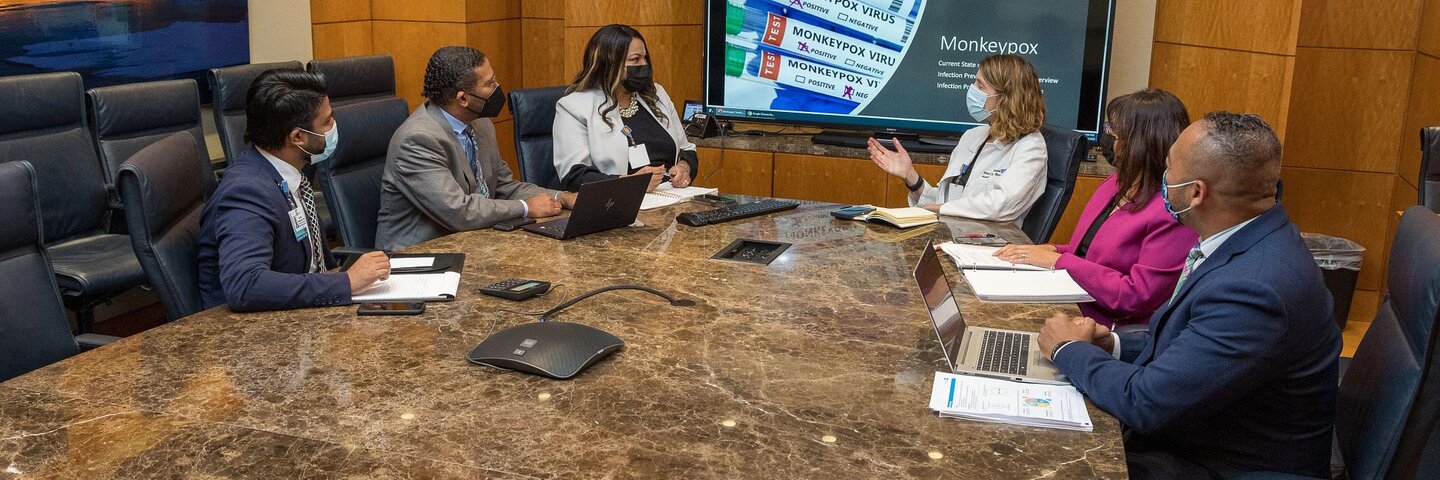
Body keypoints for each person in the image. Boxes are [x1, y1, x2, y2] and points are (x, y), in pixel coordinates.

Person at [1037, 112, 1340, 478]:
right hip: (1198, 437)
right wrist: (1113, 344)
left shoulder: (1255, 290)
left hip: (1217, 464)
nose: (1163, 179)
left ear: (1196, 192)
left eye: (1168, 169)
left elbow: (1145, 402)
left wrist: (1067, 349)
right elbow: (1188, 342)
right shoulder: (1247, 239)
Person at [994, 89, 1198, 328]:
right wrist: (1050, 249)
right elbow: (1089, 252)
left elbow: (1136, 296)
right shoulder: (1116, 182)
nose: (1109, 139)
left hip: (1104, 329)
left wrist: (1057, 261)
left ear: (1141, 141)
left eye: (1116, 132)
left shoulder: (1172, 211)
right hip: (1069, 301)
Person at [197, 69, 391, 312]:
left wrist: (355, 292)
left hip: (302, 310)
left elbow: (314, 262)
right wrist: (346, 283)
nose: (334, 127)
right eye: (327, 121)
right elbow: (245, 285)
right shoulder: (246, 192)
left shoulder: (286, 171)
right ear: (298, 137)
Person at [376, 46, 573, 250]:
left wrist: (562, 197)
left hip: (471, 245)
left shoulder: (480, 123)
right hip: (416, 257)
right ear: (463, 98)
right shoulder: (418, 139)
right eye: (490, 83)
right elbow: (458, 211)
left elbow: (504, 187)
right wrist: (525, 207)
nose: (498, 87)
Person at [868, 54, 1047, 224]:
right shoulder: (973, 136)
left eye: (980, 86)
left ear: (1005, 98)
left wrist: (937, 209)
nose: (972, 89)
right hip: (951, 235)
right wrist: (911, 178)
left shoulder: (1031, 148)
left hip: (990, 246)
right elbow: (948, 202)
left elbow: (1001, 205)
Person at [553, 24, 698, 193]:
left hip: (669, 197)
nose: (644, 65)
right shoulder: (574, 107)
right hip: (614, 203)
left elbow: (687, 150)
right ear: (609, 64)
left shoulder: (656, 94)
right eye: (635, 60)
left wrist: (683, 168)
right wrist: (631, 183)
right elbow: (575, 177)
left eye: (645, 58)